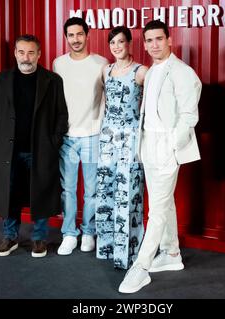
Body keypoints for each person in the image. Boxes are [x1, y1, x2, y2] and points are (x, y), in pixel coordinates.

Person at [118, 20, 202, 293]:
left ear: (169, 40)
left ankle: (140, 267)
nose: (154, 44)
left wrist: (172, 146)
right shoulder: (152, 71)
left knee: (156, 210)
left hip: (167, 145)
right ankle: (172, 254)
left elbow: (189, 116)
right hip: (148, 144)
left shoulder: (183, 72)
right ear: (144, 44)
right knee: (162, 202)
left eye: (158, 39)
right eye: (149, 40)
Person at [0, 34, 68, 258]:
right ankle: (10, 237)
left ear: (39, 54)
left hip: (40, 149)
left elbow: (62, 115)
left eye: (31, 52)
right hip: (9, 150)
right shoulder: (0, 80)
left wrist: (54, 142)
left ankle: (39, 239)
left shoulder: (52, 81)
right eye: (21, 52)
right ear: (15, 53)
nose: (26, 57)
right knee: (10, 193)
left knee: (39, 193)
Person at [53, 17, 108, 255]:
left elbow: (107, 97)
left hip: (92, 135)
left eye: (79, 34)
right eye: (70, 35)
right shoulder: (58, 64)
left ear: (87, 35)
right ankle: (69, 233)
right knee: (67, 189)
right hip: (67, 136)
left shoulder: (101, 63)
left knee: (92, 190)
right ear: (66, 37)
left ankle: (88, 232)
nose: (75, 39)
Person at [95, 26, 148, 270]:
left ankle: (128, 253)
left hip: (130, 137)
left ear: (129, 45)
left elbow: (152, 104)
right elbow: (106, 104)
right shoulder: (106, 71)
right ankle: (107, 249)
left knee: (128, 192)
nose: (116, 46)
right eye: (112, 43)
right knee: (105, 191)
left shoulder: (141, 72)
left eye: (121, 42)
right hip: (108, 137)